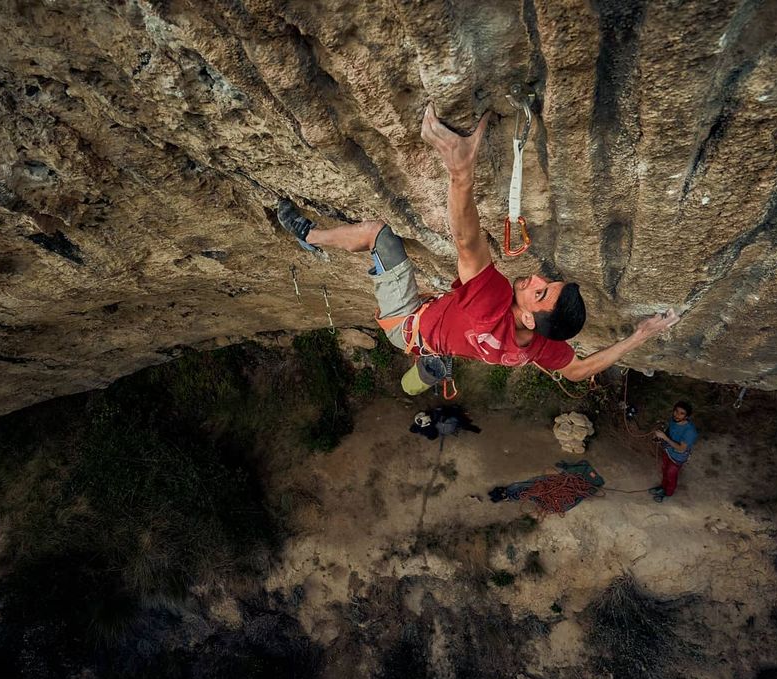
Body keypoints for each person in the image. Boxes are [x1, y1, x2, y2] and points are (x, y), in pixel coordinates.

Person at [277, 103, 679, 381]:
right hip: (430, 333)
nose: (536, 278)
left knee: (377, 235)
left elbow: (467, 242)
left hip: (406, 322)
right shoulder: (537, 344)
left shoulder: (493, 306)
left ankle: (307, 234)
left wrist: (460, 170)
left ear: (527, 317)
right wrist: (640, 336)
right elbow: (578, 371)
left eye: (539, 292)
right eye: (548, 282)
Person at [649, 400, 699, 502]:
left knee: (671, 473)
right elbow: (669, 431)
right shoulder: (673, 420)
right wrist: (660, 437)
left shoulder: (690, 431)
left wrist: (665, 438)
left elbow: (681, 448)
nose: (677, 415)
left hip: (678, 456)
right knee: (664, 469)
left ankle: (668, 493)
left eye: (682, 413)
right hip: (668, 450)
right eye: (676, 411)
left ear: (687, 416)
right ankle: (663, 487)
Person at [409, 406, 482, 441]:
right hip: (449, 425)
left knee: (457, 418)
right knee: (459, 420)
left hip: (448, 426)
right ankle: (475, 428)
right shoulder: (429, 426)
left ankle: (474, 428)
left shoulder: (423, 427)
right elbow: (432, 436)